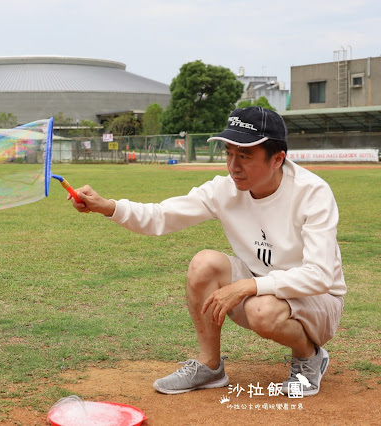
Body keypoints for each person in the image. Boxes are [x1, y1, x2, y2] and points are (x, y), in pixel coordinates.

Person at [70, 107, 346, 397]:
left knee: (261, 309)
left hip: (316, 300)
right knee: (204, 263)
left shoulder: (312, 192)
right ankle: (210, 366)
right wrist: (108, 206)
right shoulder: (224, 190)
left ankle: (308, 357)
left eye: (245, 156)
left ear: (277, 159)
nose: (233, 166)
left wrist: (250, 286)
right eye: (229, 153)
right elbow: (161, 216)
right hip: (259, 287)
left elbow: (320, 275)